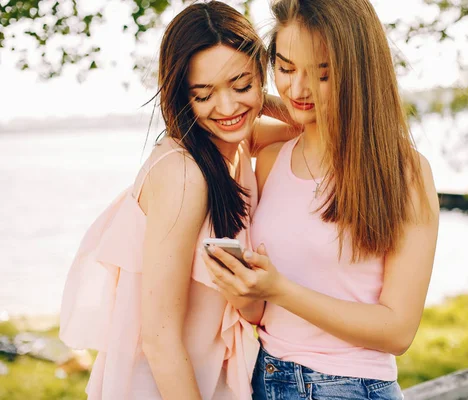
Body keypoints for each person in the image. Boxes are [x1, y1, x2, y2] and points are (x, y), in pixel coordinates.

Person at [203, 0, 440, 399]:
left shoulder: (403, 172)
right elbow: (265, 313)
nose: (297, 89)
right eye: (286, 68)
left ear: (358, 70)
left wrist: (278, 289)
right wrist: (245, 293)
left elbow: (398, 331)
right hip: (263, 376)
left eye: (322, 74)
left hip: (348, 386)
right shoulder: (273, 159)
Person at [59, 2, 297, 399]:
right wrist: (247, 93)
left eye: (240, 84)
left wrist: (259, 98)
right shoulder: (184, 174)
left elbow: (315, 124)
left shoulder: (231, 143)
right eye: (203, 95)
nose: (225, 108)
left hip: (205, 377)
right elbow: (159, 338)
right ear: (181, 96)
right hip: (162, 386)